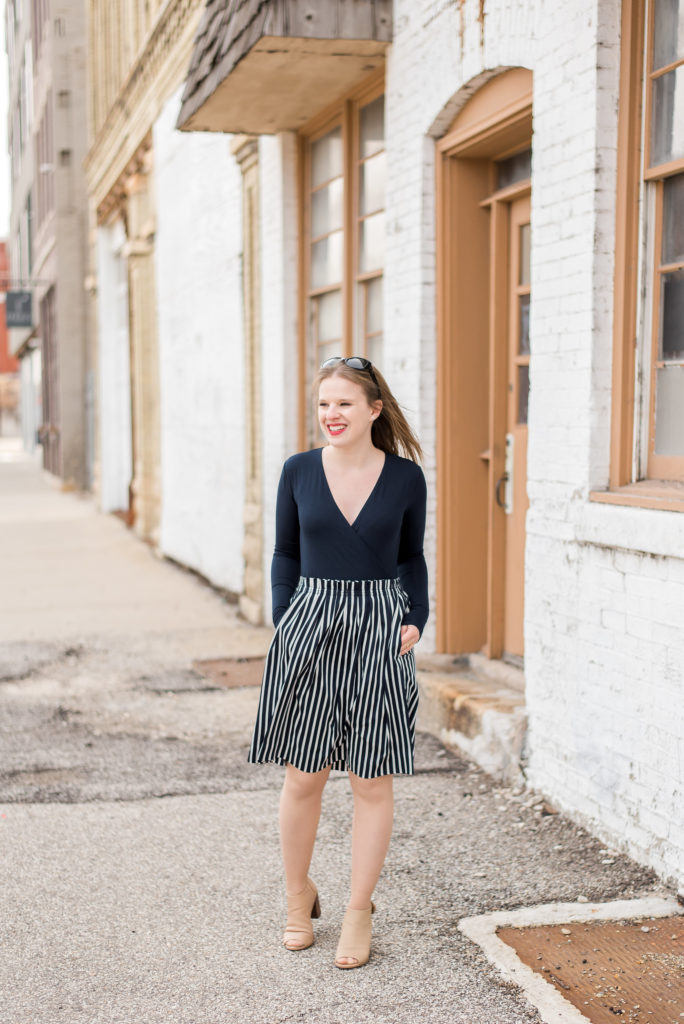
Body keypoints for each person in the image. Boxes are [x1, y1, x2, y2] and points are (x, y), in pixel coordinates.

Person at [248, 356, 428, 969]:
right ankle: (298, 897)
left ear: (374, 410)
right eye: (325, 403)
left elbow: (412, 558)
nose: (332, 414)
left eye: (345, 403)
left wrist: (416, 617)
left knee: (371, 780)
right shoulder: (298, 471)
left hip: (380, 626)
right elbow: (285, 550)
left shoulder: (405, 478)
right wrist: (284, 617)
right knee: (304, 776)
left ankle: (358, 910)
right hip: (311, 621)